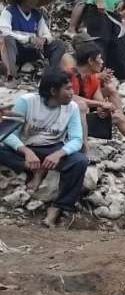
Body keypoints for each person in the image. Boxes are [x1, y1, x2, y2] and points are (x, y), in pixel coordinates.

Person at [0, 67, 88, 227]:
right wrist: (26, 151)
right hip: (25, 146)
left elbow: (76, 139)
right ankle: (35, 169)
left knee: (80, 161)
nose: (72, 92)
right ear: (53, 90)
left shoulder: (72, 107)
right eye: (67, 88)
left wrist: (60, 153)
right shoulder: (27, 102)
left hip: (52, 148)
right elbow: (5, 133)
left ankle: (59, 207)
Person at [1, 0, 65, 80]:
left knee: (58, 44)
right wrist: (29, 39)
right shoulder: (9, 11)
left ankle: (52, 73)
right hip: (16, 50)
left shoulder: (37, 15)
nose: (36, 0)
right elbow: (4, 31)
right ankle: (11, 74)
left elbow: (47, 34)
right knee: (7, 39)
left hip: (32, 50)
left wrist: (43, 39)